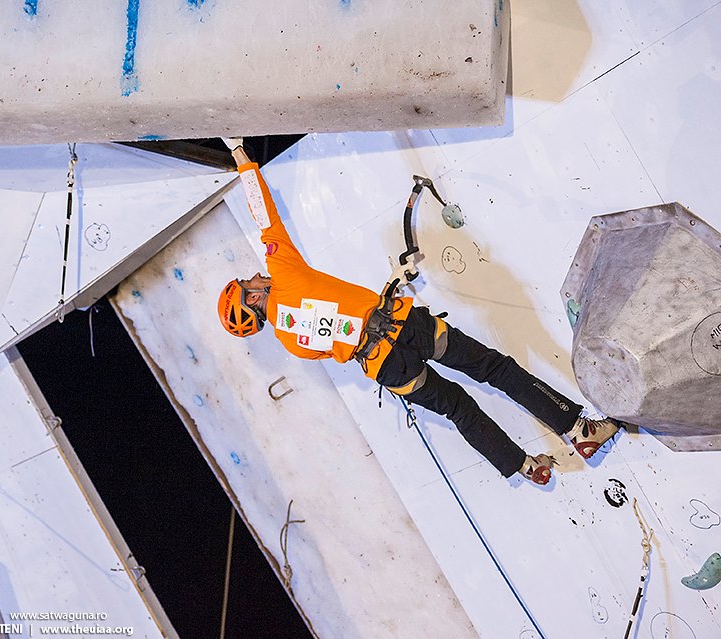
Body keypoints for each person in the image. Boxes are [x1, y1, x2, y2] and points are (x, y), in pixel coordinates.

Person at [216, 139, 621, 486]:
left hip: (387, 369)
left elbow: (343, 335)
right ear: (252, 300)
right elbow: (263, 215)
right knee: (494, 369)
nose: (254, 276)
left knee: (460, 410)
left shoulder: (290, 342)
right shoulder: (283, 274)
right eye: (247, 283)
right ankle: (579, 430)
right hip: (403, 325)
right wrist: (240, 154)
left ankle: (525, 467)